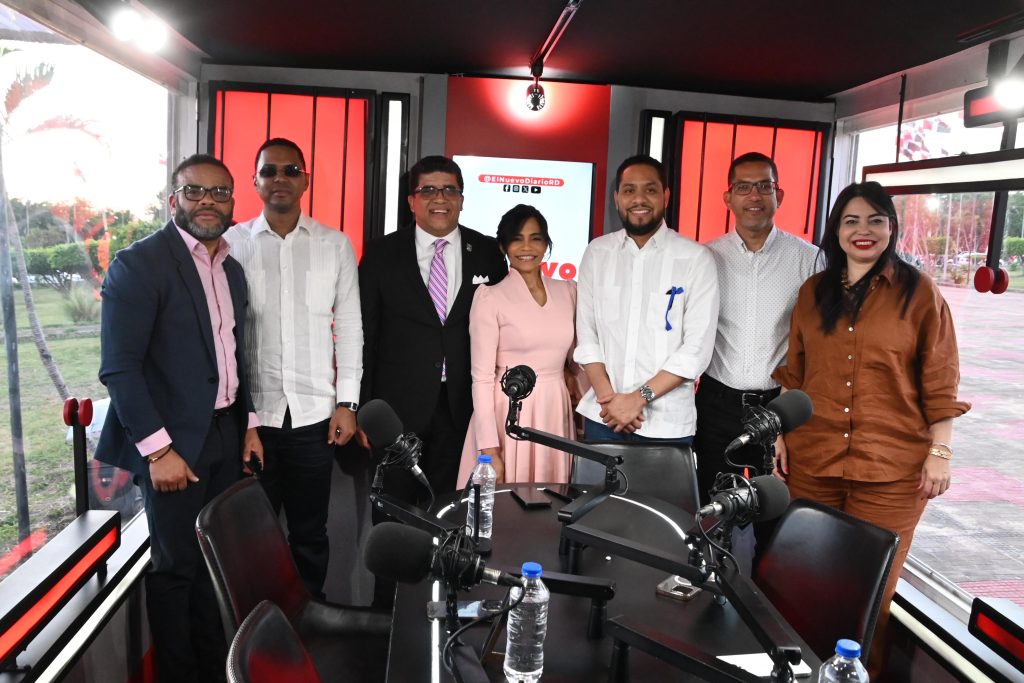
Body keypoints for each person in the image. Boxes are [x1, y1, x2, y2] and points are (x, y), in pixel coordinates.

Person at [772, 181, 970, 676]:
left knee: (871, 597)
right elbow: (794, 374)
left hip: (891, 473)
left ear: (891, 229)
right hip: (813, 461)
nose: (863, 231)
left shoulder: (918, 293)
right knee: (809, 583)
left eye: (875, 220)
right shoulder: (813, 293)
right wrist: (779, 432)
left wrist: (940, 452)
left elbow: (941, 378)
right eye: (851, 221)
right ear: (836, 230)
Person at [96, 154, 263, 683]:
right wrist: (159, 451)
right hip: (171, 444)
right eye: (195, 192)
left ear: (234, 202)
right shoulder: (139, 264)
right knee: (175, 571)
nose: (207, 201)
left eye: (219, 192)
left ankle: (216, 669)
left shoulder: (231, 268)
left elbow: (236, 354)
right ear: (174, 200)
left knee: (214, 567)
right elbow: (120, 368)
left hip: (224, 434)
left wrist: (250, 425)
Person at [225, 137, 362, 598]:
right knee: (251, 535)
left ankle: (308, 619)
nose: (279, 178)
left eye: (289, 170)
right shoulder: (231, 245)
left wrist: (347, 402)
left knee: (310, 532)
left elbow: (350, 327)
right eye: (269, 171)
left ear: (305, 179)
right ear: (255, 181)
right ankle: (254, 627)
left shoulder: (334, 244)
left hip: (313, 417)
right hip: (251, 420)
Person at [359, 155, 506, 502]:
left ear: (462, 200)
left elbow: (505, 329)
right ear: (412, 201)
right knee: (394, 506)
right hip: (396, 408)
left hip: (461, 406)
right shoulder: (381, 252)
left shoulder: (486, 251)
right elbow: (365, 334)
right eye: (428, 190)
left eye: (449, 190)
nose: (440, 199)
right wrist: (363, 408)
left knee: (452, 509)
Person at [573, 154, 719, 480]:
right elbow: (587, 334)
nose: (639, 199)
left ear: (665, 196)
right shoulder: (597, 252)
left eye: (650, 190)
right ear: (617, 198)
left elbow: (696, 350)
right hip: (603, 419)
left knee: (660, 524)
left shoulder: (695, 258)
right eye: (629, 190)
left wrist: (639, 399)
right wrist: (610, 401)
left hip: (667, 425)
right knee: (597, 523)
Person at [694, 152, 821, 505]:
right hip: (717, 403)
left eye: (764, 186)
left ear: (779, 195)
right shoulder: (705, 258)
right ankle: (715, 563)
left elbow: (815, 343)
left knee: (776, 508)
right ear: (728, 197)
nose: (754, 196)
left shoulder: (808, 259)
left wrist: (782, 414)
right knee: (714, 505)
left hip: (778, 406)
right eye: (744, 187)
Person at [456, 204, 580, 485]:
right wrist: (489, 448)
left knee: (553, 505)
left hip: (554, 410)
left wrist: (575, 382)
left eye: (535, 238)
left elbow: (579, 359)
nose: (527, 247)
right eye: (517, 239)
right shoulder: (490, 298)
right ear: (503, 246)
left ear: (546, 243)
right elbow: (482, 378)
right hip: (507, 411)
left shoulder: (569, 291)